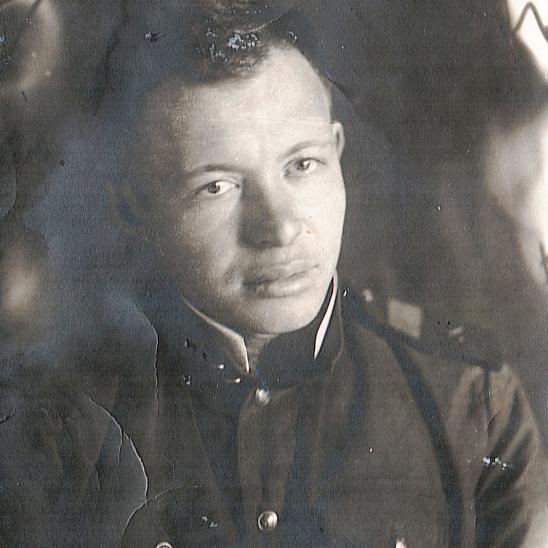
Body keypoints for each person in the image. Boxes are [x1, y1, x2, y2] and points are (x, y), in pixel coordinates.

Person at [1, 2, 548, 546]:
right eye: (218, 185)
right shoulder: (59, 431)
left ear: (338, 154)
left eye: (302, 165)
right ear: (135, 208)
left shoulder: (471, 406)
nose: (279, 227)